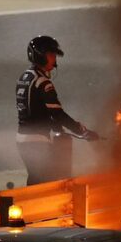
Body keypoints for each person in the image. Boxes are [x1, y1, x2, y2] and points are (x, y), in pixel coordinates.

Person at [16, 35, 99, 185]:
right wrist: (81, 131)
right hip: (37, 142)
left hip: (23, 140)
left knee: (35, 181)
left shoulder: (25, 77)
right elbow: (58, 113)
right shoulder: (43, 82)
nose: (54, 59)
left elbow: (34, 109)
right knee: (45, 185)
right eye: (51, 55)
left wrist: (55, 126)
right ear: (40, 56)